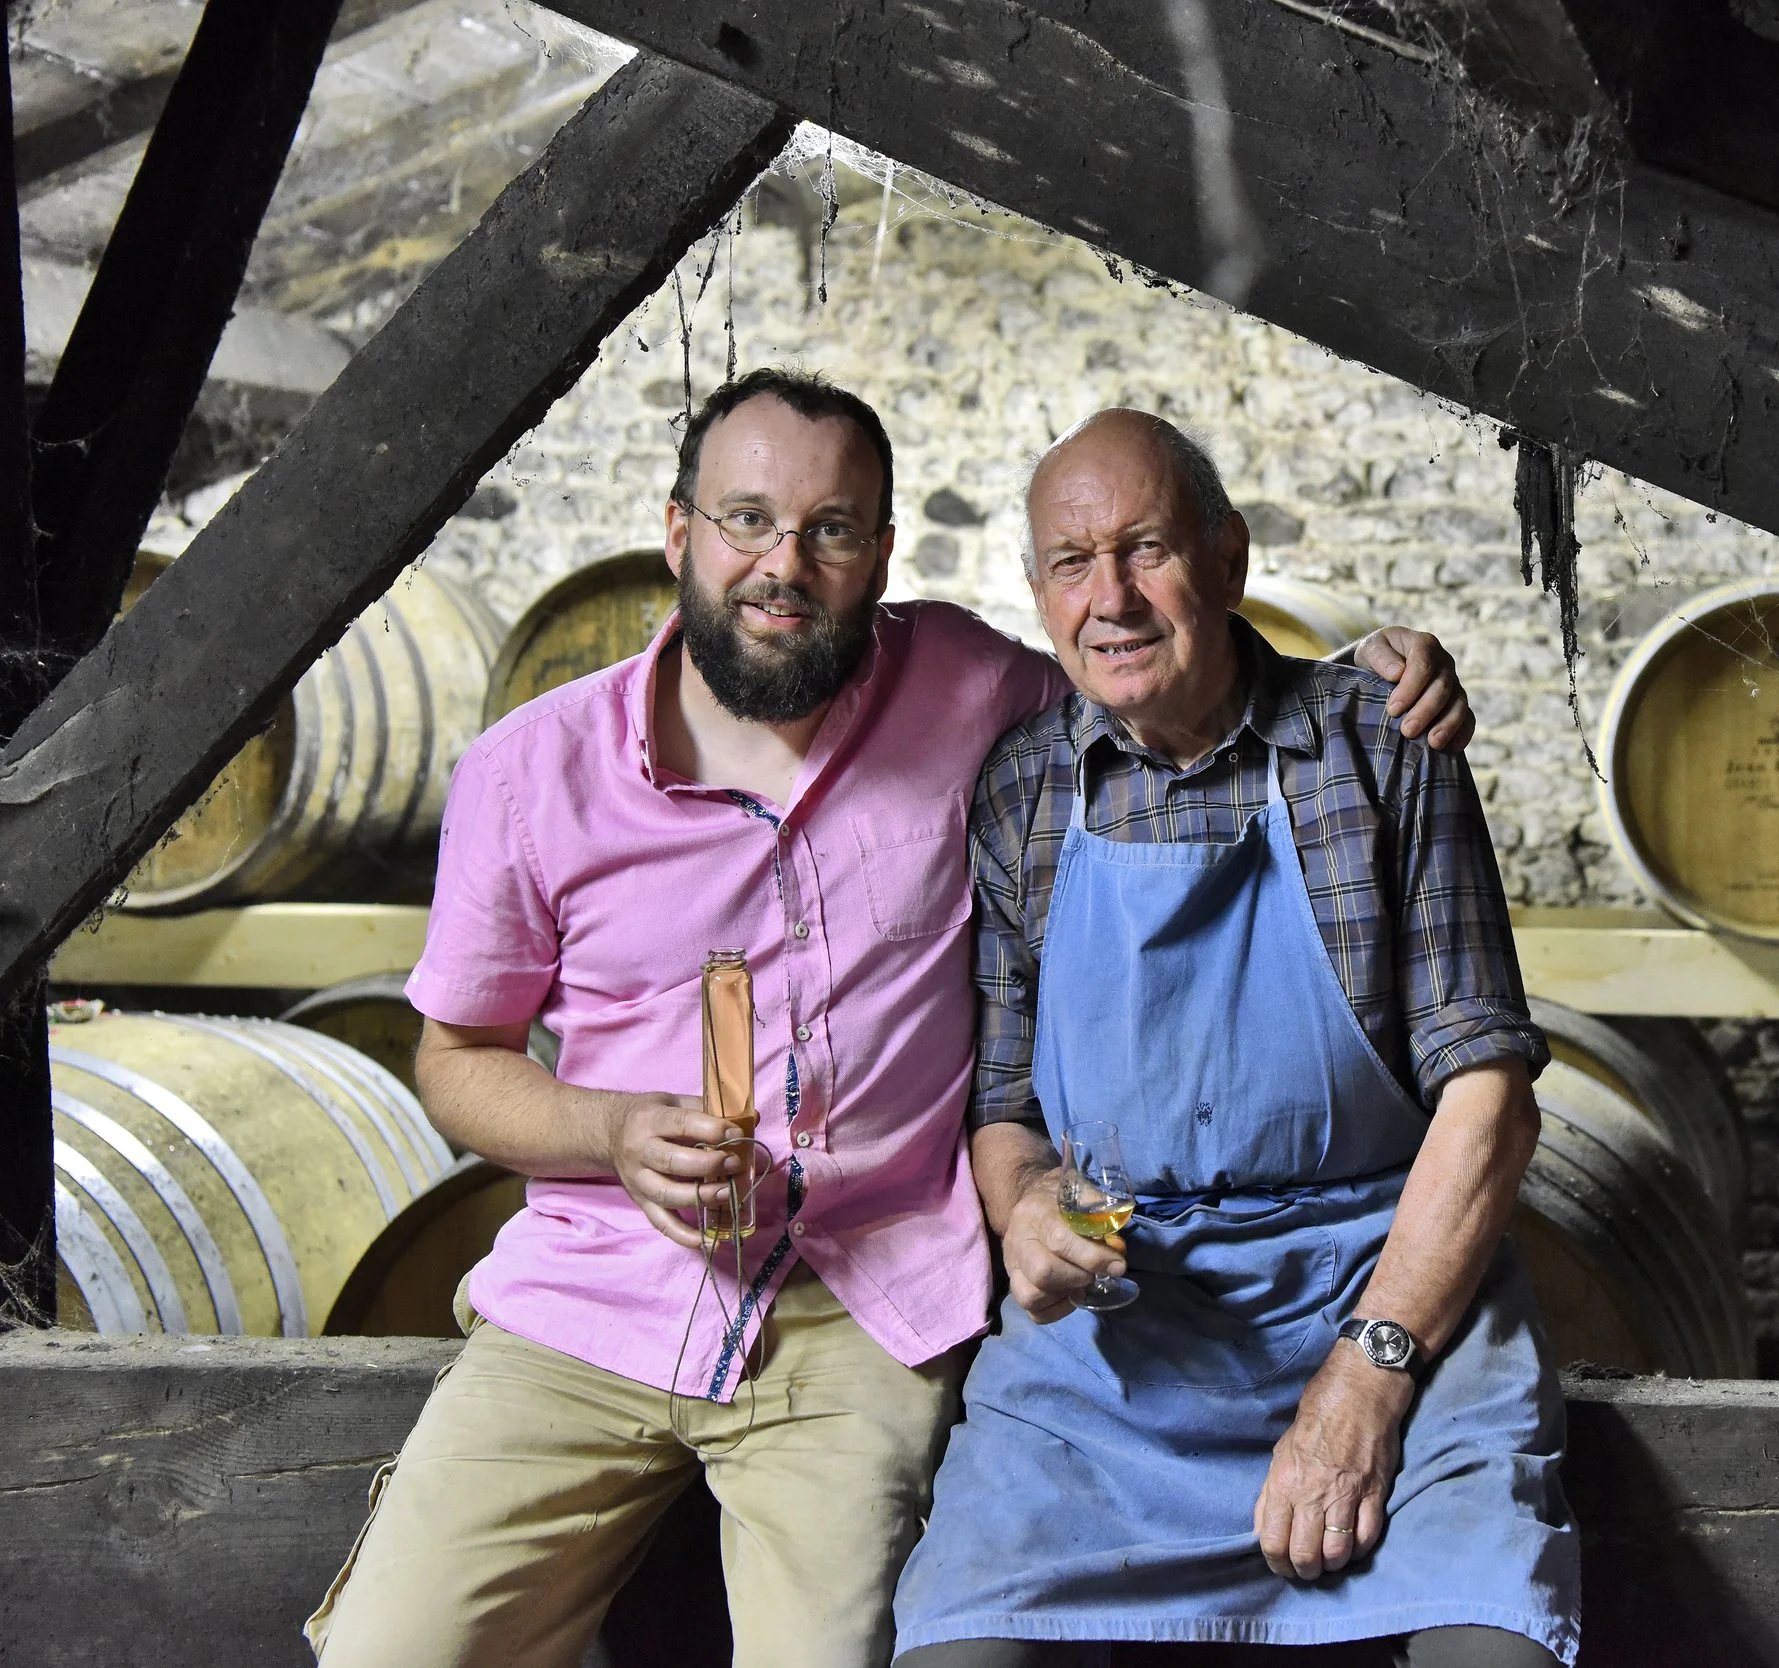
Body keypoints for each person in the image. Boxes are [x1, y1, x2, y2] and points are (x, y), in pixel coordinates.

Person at [303, 370, 1476, 1668]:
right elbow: (457, 1060)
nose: (783, 565)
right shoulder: (527, 772)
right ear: (680, 530)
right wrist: (612, 1127)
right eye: (747, 520)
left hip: (864, 1310)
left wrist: (1360, 684)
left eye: (832, 530)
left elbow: (1157, 664)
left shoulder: (982, 695)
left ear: (882, 554)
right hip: (593, 1303)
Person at [891, 410, 1575, 1668]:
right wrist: (1035, 1211)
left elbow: (1490, 1099)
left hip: (1383, 1301)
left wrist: (1368, 1377)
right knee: (957, 1654)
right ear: (1037, 591)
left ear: (1227, 559)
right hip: (1119, 1338)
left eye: (1144, 548)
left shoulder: (1380, 745)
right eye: (1068, 562)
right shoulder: (1024, 787)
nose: (1110, 597)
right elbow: (1006, 1109)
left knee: (1496, 1654)